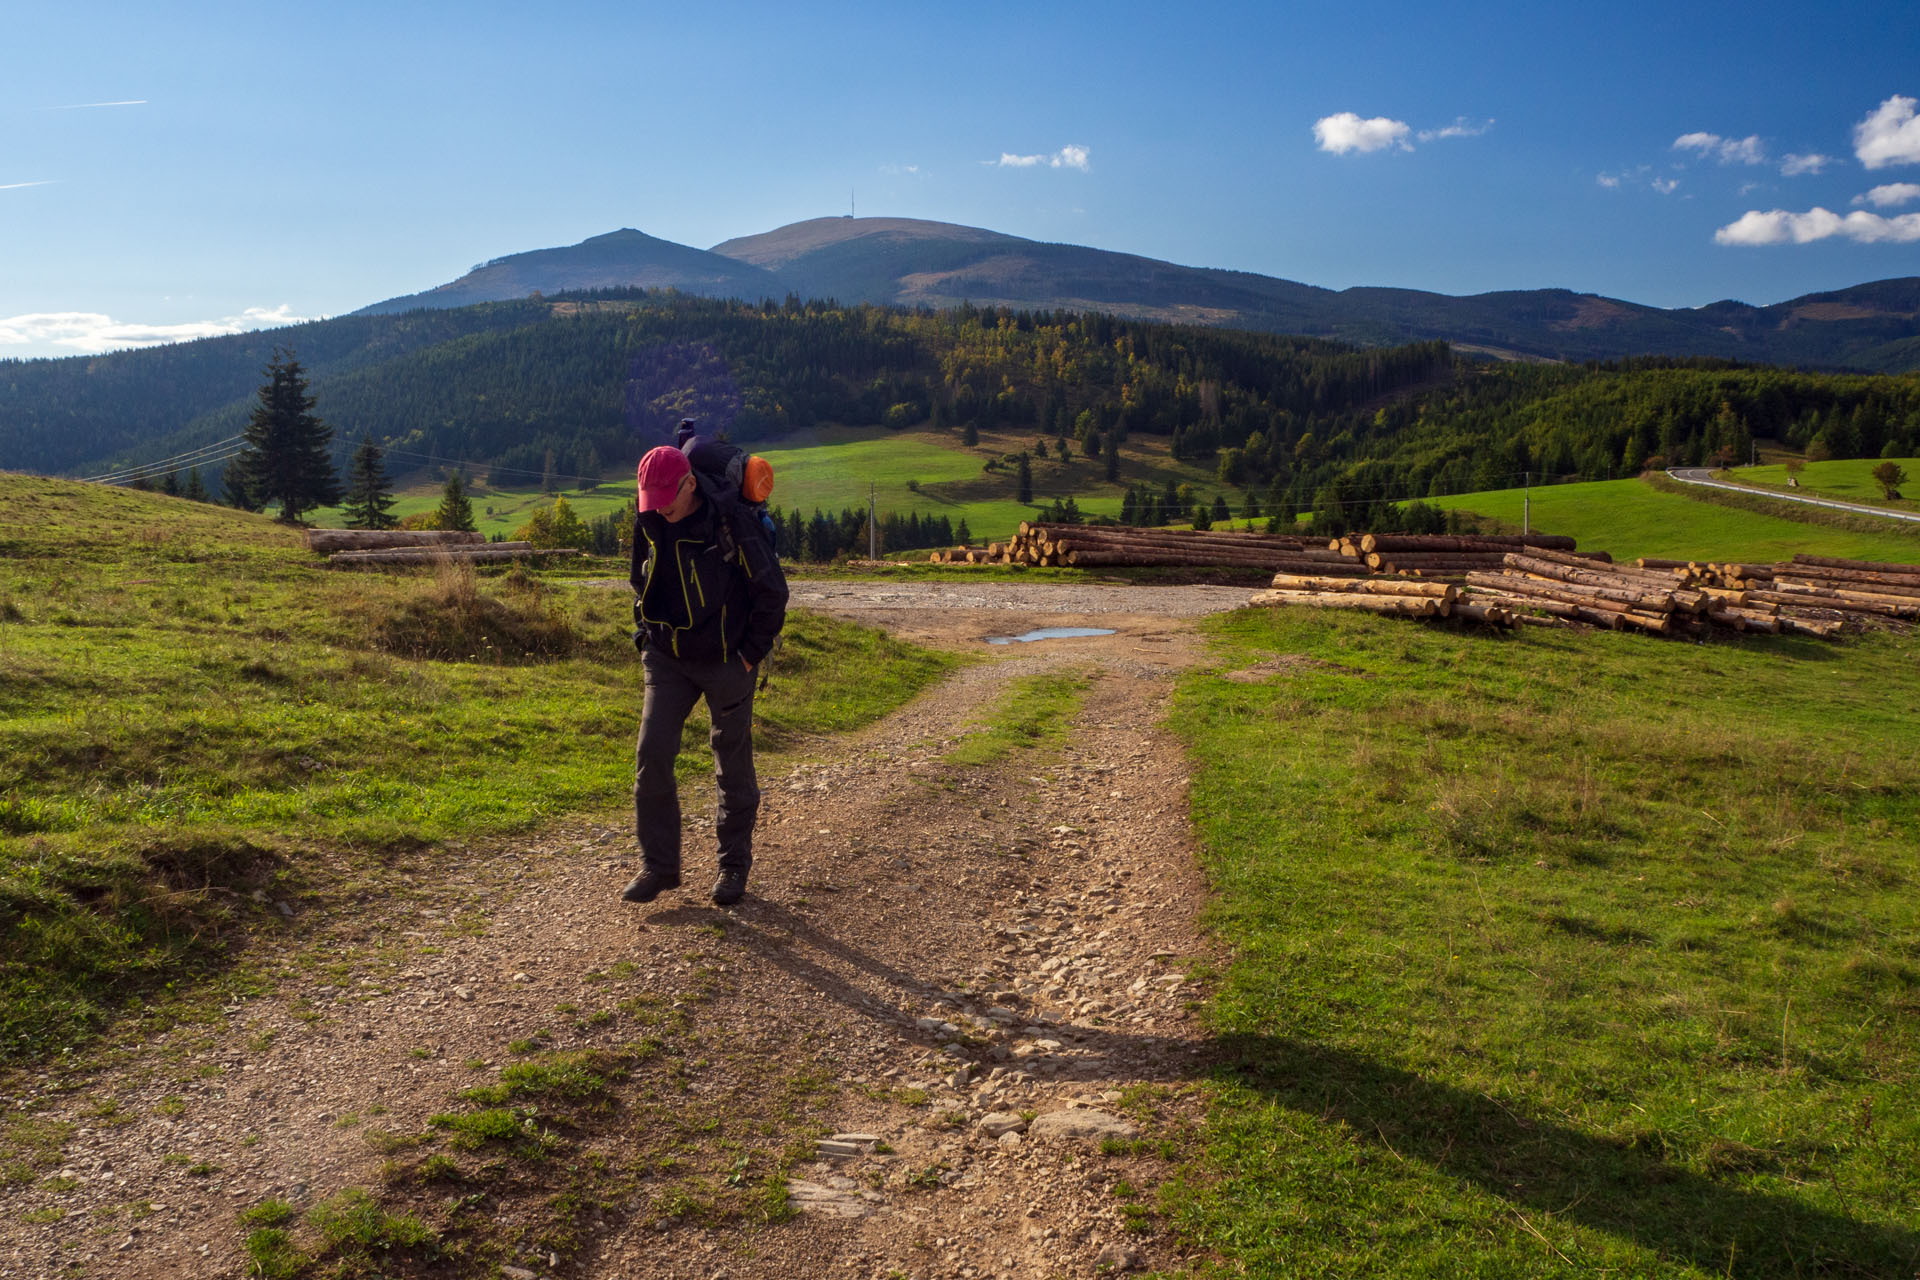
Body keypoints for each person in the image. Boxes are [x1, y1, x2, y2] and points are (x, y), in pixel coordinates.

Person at [622, 443, 788, 907]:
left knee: (730, 764)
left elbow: (773, 592)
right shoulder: (650, 518)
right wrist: (644, 636)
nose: (658, 511)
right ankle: (659, 867)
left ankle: (733, 867)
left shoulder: (731, 523)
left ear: (690, 484)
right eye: (649, 502)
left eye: (666, 501)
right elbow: (640, 580)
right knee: (651, 755)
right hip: (666, 656)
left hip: (727, 660)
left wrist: (750, 656)